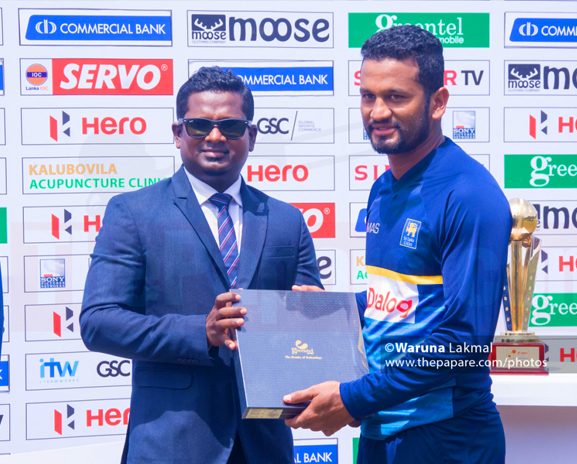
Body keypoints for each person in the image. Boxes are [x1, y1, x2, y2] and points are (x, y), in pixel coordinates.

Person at [284, 26, 511, 463]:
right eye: (368, 96)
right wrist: (334, 310)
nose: (378, 112)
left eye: (396, 97)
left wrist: (353, 398)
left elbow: (464, 343)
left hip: (447, 438)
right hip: (380, 428)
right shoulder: (383, 187)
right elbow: (401, 300)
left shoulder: (469, 195)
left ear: (438, 102)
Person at [80, 67, 322, 463]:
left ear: (252, 136)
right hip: (171, 445)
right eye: (199, 125)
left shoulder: (287, 221)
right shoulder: (132, 213)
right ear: (178, 133)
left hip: (264, 446)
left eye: (231, 126)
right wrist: (201, 331)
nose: (215, 137)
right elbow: (99, 322)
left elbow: (308, 327)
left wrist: (317, 320)